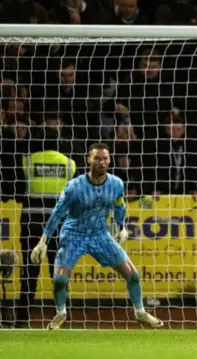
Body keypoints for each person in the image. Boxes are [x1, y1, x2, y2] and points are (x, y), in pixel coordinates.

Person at [30, 143, 163, 330]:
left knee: (132, 274)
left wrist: (121, 226)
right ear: (89, 159)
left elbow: (119, 206)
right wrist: (43, 241)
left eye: (105, 158)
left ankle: (140, 312)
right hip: (74, 234)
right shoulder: (74, 187)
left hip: (100, 234)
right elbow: (57, 213)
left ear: (109, 160)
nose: (102, 162)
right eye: (97, 158)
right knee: (59, 281)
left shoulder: (116, 184)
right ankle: (61, 313)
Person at [14, 134, 76, 328]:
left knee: (29, 273)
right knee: (58, 272)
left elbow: (16, 192)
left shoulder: (28, 161)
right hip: (59, 225)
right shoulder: (69, 164)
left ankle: (22, 320)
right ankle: (64, 317)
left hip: (32, 223)